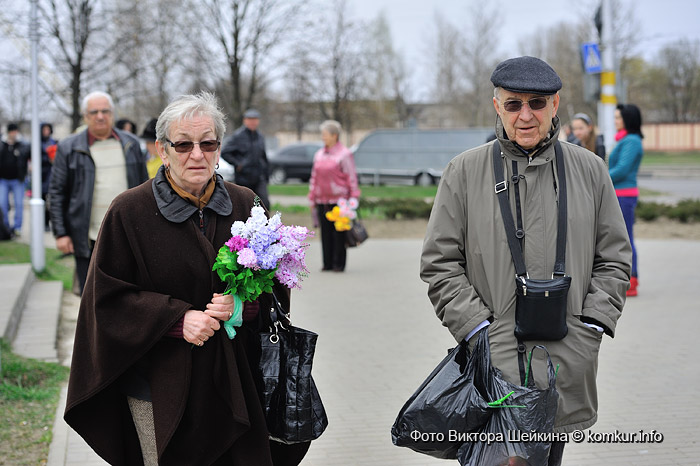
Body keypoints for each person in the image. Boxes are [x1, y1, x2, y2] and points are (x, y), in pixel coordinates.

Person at [63, 92, 310, 466]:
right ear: (163, 151)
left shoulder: (247, 204)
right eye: (183, 144)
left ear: (218, 147)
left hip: (239, 381)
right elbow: (107, 302)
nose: (197, 154)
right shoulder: (129, 212)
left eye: (207, 143)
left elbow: (274, 294)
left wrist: (241, 306)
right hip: (159, 385)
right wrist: (177, 320)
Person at [420, 56, 632, 465]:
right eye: (514, 104)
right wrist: (478, 329)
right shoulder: (464, 171)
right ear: (497, 106)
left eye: (537, 103)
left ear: (556, 105)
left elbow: (615, 258)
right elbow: (440, 261)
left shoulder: (591, 170)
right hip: (495, 358)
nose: (526, 115)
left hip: (567, 357)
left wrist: (592, 325)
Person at [48, 91, 148, 294]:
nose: (100, 116)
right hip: (87, 236)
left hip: (127, 233)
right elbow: (56, 192)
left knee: (128, 294)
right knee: (91, 295)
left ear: (112, 114)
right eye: (94, 112)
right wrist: (61, 233)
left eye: (105, 111)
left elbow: (146, 187)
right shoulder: (69, 147)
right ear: (86, 116)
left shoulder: (130, 144)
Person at [308, 120, 361, 272]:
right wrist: (312, 196)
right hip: (322, 200)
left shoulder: (344, 154)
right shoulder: (319, 154)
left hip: (340, 201)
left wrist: (353, 197)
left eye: (325, 134)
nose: (323, 137)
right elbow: (314, 177)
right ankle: (327, 263)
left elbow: (351, 177)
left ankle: (339, 264)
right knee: (325, 233)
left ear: (334, 135)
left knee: (339, 233)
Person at [609, 103, 644, 297]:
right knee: (623, 238)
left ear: (627, 120)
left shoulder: (631, 141)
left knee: (626, 239)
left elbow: (622, 169)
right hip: (620, 194)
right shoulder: (625, 139)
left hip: (625, 195)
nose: (615, 121)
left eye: (618, 118)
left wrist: (600, 177)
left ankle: (632, 279)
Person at [220, 108, 270, 208]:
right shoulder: (237, 136)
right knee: (245, 204)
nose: (253, 122)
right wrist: (239, 164)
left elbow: (263, 156)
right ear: (245, 121)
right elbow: (225, 152)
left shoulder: (260, 136)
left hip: (259, 177)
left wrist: (266, 173)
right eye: (250, 119)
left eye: (255, 119)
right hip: (244, 177)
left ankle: (266, 223)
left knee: (264, 202)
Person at [0, 123, 31, 237]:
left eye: (15, 131)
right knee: (3, 204)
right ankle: (5, 227)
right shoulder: (2, 144)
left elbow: (29, 156)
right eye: (12, 132)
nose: (14, 134)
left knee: (19, 204)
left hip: (18, 180)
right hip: (3, 180)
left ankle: (17, 228)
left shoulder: (23, 144)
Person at [40, 122, 57, 231]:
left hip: (52, 175)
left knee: (51, 201)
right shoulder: (38, 143)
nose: (46, 132)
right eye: (44, 130)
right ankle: (42, 222)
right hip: (42, 176)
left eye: (48, 129)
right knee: (42, 200)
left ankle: (49, 222)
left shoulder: (53, 142)